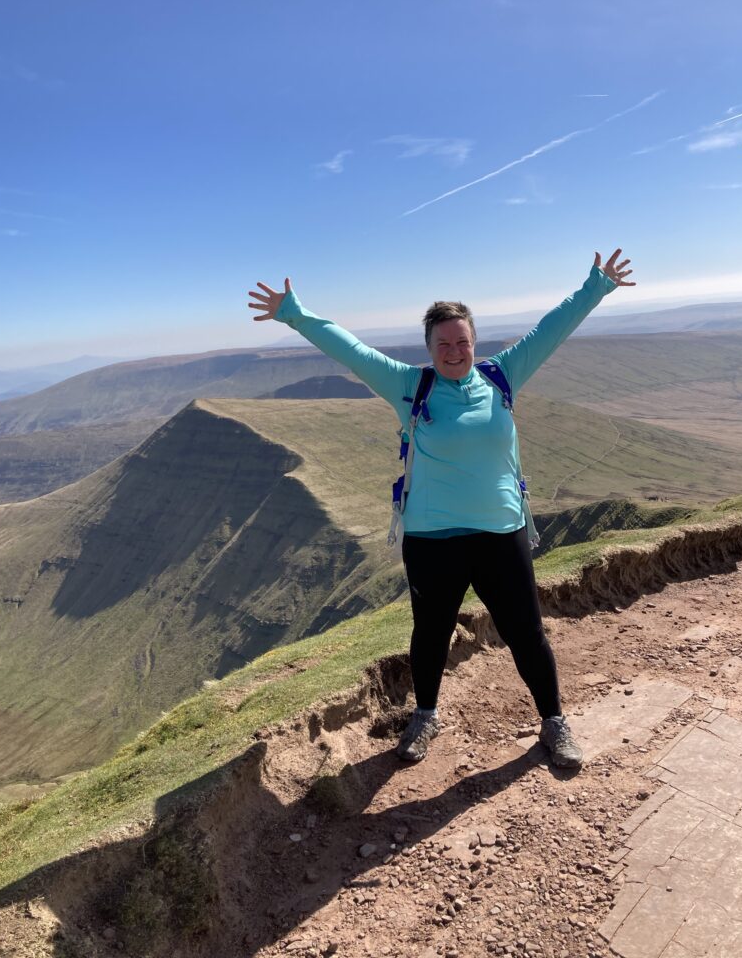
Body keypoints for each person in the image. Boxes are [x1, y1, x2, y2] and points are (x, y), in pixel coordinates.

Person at [248, 250, 635, 767]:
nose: (454, 350)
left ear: (474, 343)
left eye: (463, 341)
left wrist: (595, 286)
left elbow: (551, 329)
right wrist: (293, 312)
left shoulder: (502, 375)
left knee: (526, 632)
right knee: (430, 633)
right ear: (429, 347)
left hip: (501, 531)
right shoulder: (411, 386)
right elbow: (351, 350)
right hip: (432, 539)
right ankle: (425, 715)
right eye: (443, 343)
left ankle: (554, 723)